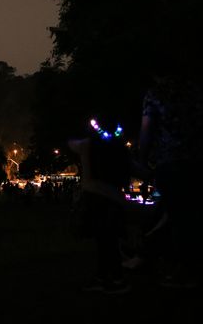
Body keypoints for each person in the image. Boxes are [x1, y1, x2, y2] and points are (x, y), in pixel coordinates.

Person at [138, 67, 203, 288]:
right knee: (191, 214)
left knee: (175, 215)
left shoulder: (156, 94)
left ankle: (180, 268)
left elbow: (147, 130)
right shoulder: (193, 91)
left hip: (170, 162)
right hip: (196, 160)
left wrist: (143, 158)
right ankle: (194, 264)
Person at [69, 117, 132, 295]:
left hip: (96, 196)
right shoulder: (119, 148)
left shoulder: (87, 145)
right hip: (115, 198)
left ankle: (110, 279)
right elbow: (133, 167)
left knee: (104, 241)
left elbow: (71, 142)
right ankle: (112, 277)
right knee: (111, 239)